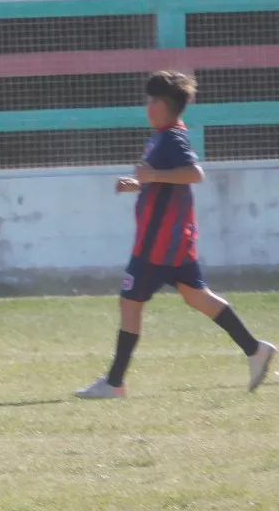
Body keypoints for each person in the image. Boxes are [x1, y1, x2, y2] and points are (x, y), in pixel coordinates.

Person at [77, 71, 274, 399]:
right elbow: (168, 181)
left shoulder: (172, 137)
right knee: (198, 297)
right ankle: (256, 350)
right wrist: (140, 184)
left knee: (130, 303)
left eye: (151, 101)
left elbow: (194, 174)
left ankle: (114, 383)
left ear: (164, 105)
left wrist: (152, 174)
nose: (147, 106)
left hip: (159, 244)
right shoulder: (162, 136)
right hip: (174, 241)